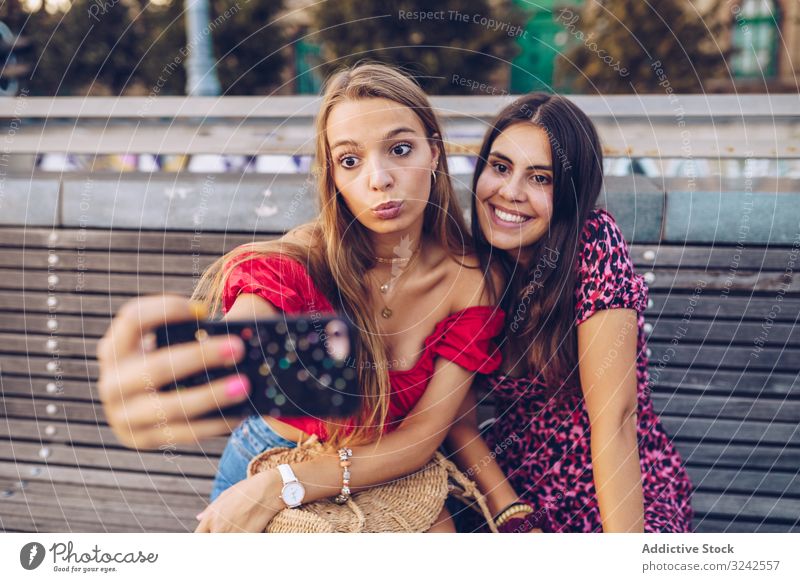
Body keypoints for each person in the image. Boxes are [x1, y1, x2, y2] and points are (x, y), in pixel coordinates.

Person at [96, 62, 508, 533]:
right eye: (350, 160)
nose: (379, 178)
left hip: (383, 473)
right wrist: (168, 382)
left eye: (399, 149)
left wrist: (283, 486)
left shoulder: (472, 280)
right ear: (332, 174)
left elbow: (419, 439)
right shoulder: (296, 265)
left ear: (434, 152)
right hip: (267, 457)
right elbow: (242, 339)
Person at [445, 93, 693, 533]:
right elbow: (461, 425)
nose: (510, 192)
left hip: (616, 486)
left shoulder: (594, 245)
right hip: (515, 484)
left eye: (540, 178)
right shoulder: (471, 264)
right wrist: (512, 516)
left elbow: (614, 423)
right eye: (500, 167)